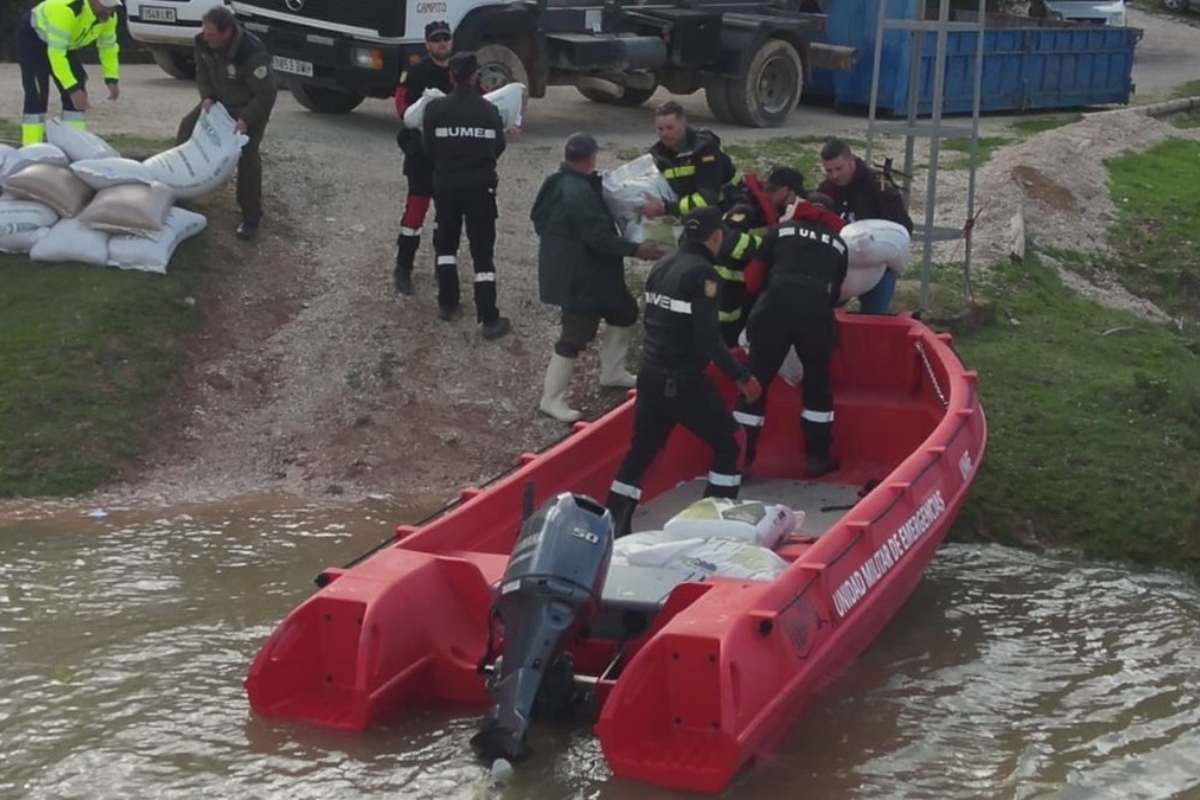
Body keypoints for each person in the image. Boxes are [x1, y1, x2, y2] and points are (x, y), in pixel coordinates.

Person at [605, 207, 763, 540]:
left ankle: (614, 525)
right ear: (716, 236)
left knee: (643, 449)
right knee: (730, 441)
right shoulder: (703, 275)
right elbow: (707, 339)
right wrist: (741, 376)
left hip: (651, 373)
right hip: (681, 379)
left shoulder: (663, 265)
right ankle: (713, 528)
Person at [532, 133, 668, 423]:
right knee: (575, 335)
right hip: (581, 276)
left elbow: (538, 218)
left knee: (625, 311)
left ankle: (612, 372)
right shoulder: (578, 192)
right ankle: (551, 399)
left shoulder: (558, 182)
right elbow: (598, 237)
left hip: (593, 271)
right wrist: (637, 249)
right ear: (591, 157)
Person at [735, 193, 848, 479]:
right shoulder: (840, 245)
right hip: (816, 316)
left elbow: (751, 280)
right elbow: (835, 294)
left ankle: (739, 460)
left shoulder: (779, 231)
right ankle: (817, 459)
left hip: (774, 309)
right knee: (817, 385)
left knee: (755, 383)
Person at [422, 52, 511, 339]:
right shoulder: (489, 112)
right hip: (480, 188)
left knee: (446, 244)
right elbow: (497, 147)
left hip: (446, 185)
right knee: (482, 252)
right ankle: (488, 317)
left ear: (451, 76)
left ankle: (447, 303)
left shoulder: (435, 110)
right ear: (476, 76)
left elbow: (428, 150)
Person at [177, 6, 277, 241]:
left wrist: (246, 120)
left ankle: (251, 217)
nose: (206, 37)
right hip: (219, 102)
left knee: (247, 155)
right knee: (186, 127)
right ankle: (180, 191)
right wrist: (207, 96)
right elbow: (201, 72)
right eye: (205, 32)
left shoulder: (251, 54)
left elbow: (266, 94)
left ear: (227, 32)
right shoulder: (203, 42)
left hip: (249, 107)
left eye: (211, 34)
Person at [391, 21, 454, 295]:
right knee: (415, 213)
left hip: (451, 157)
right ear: (427, 44)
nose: (441, 43)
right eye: (435, 39)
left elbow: (485, 102)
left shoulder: (462, 72)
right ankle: (403, 268)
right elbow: (401, 106)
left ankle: (444, 270)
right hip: (422, 155)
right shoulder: (416, 72)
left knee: (448, 216)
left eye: (445, 38)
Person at [713, 166, 807, 346]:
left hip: (749, 287)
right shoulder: (745, 209)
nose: (795, 203)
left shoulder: (772, 210)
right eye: (795, 197)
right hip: (728, 287)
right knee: (726, 339)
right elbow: (729, 243)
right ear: (785, 191)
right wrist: (771, 247)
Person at [818, 138, 913, 314]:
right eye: (829, 170)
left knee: (874, 318)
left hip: (877, 265)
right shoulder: (826, 189)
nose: (834, 176)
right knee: (822, 313)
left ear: (851, 161)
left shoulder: (878, 187)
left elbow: (902, 227)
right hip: (840, 264)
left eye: (839, 168)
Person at [17, 0, 122, 146]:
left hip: (64, 44)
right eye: (106, 5)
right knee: (37, 94)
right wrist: (72, 89)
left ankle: (74, 147)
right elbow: (56, 55)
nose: (110, 10)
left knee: (78, 88)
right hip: (34, 39)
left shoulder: (108, 16)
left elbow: (108, 47)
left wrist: (111, 78)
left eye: (113, 6)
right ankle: (31, 149)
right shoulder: (68, 10)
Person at [641, 102, 737, 221]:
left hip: (725, 208)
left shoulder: (704, 148)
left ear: (683, 124)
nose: (664, 134)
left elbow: (708, 199)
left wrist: (666, 208)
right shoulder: (658, 154)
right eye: (660, 129)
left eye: (670, 128)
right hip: (688, 212)